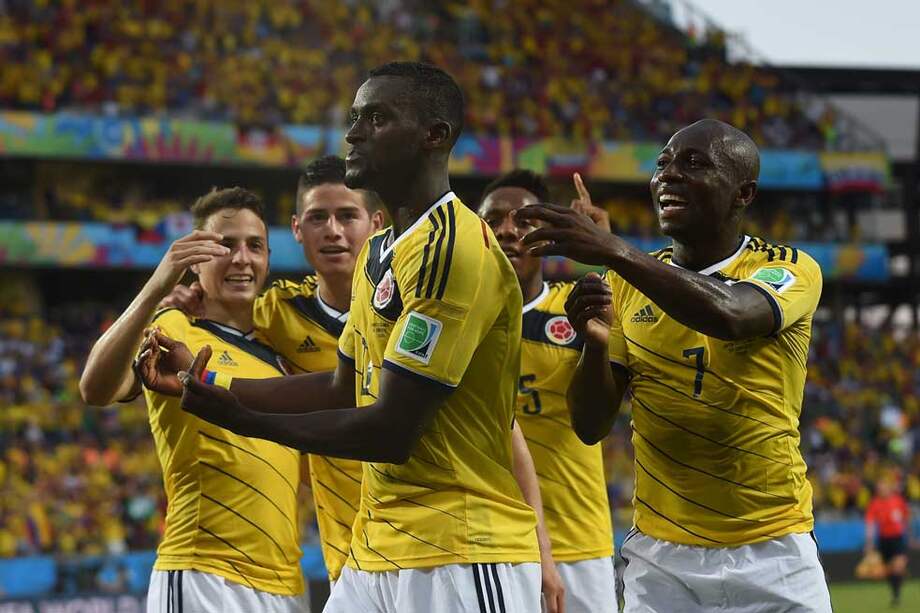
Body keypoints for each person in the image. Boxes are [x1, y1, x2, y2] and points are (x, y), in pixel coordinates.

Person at [140, 62, 543, 613]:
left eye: (376, 119)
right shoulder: (379, 254)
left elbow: (390, 430)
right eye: (354, 118)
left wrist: (244, 420)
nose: (353, 134)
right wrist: (206, 377)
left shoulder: (455, 249)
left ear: (434, 136)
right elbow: (339, 387)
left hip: (461, 551)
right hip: (376, 549)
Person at [516, 119, 833, 612]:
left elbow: (730, 314)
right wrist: (596, 346)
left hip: (772, 549)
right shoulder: (626, 285)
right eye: (663, 163)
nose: (669, 175)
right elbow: (589, 424)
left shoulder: (790, 268)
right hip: (663, 560)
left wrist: (614, 251)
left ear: (743, 193)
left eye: (695, 163)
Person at [79, 188, 310, 612]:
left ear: (267, 260)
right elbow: (95, 389)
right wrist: (157, 287)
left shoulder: (282, 350)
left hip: (287, 586)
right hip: (205, 577)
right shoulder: (173, 328)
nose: (242, 258)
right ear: (195, 259)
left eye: (254, 246)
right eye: (224, 246)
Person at [161, 156, 385, 587]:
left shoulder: (409, 305)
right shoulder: (276, 316)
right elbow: (226, 313)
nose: (334, 231)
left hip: (429, 536)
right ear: (298, 230)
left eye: (347, 216)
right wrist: (182, 301)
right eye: (319, 217)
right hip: (348, 559)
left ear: (376, 224)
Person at [478, 169, 617, 613]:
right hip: (490, 544)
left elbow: (641, 329)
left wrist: (605, 252)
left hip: (578, 542)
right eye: (493, 219)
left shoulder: (579, 308)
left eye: (523, 221)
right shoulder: (455, 316)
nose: (506, 230)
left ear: (549, 234)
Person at [865, 478, 911, 607]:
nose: (881, 490)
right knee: (890, 570)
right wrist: (869, 542)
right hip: (884, 540)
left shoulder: (898, 501)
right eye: (879, 488)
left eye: (883, 487)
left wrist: (910, 537)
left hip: (897, 539)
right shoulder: (875, 503)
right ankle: (895, 592)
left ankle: (896, 595)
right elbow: (870, 524)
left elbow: (906, 519)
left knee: (898, 566)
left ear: (889, 488)